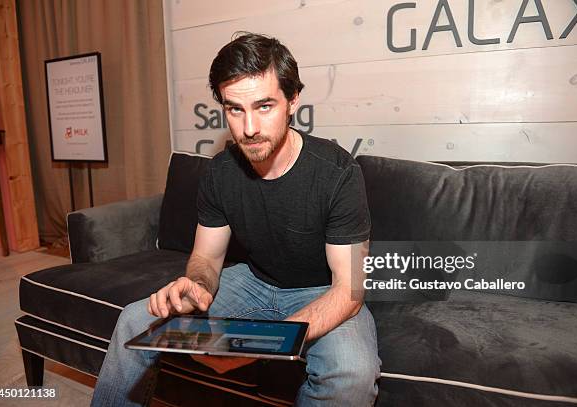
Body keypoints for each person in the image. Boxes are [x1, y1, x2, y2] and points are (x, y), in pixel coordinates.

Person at [91, 32, 380, 407]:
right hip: (254, 281)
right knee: (134, 319)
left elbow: (351, 289)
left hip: (323, 290)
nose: (248, 129)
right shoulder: (220, 173)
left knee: (352, 374)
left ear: (292, 101)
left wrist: (263, 342)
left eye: (264, 106)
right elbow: (207, 259)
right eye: (234, 109)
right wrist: (195, 286)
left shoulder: (338, 171)